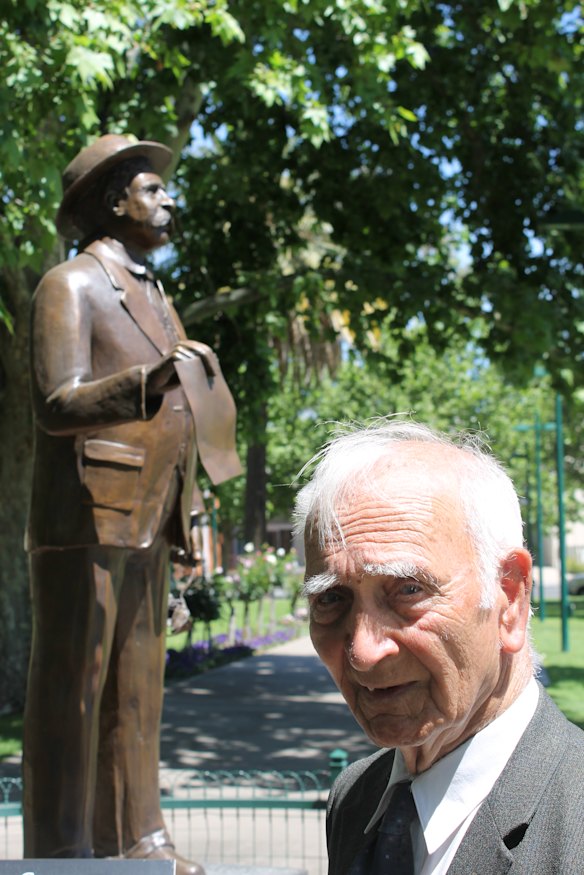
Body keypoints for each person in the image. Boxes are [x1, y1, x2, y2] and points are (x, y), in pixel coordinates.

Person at [24, 134, 242, 873]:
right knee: (73, 694)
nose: (170, 199)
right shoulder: (71, 284)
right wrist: (148, 383)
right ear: (114, 201)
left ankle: (139, 837)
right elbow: (58, 402)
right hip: (85, 517)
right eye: (155, 189)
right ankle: (62, 850)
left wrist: (185, 531)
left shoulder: (157, 294)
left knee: (138, 696)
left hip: (149, 520)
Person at [294, 419, 584, 874]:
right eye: (331, 598)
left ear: (509, 599)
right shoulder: (356, 798)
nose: (364, 652)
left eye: (408, 590)